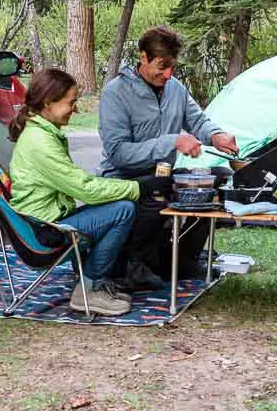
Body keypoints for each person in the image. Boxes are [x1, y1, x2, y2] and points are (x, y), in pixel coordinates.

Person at [9, 67, 172, 316]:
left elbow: (78, 183)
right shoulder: (39, 143)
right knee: (123, 210)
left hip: (42, 221)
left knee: (115, 207)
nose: (76, 109)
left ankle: (93, 279)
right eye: (71, 102)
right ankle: (89, 286)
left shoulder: (41, 133)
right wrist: (139, 187)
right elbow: (84, 189)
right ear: (48, 103)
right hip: (42, 231)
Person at [97, 26, 238, 288]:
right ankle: (135, 267)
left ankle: (183, 257)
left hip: (161, 174)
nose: (169, 74)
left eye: (172, 66)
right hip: (123, 178)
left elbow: (197, 121)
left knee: (219, 179)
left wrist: (217, 136)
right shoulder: (115, 93)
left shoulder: (176, 89)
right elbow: (118, 154)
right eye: (162, 66)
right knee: (156, 192)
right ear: (143, 57)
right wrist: (172, 142)